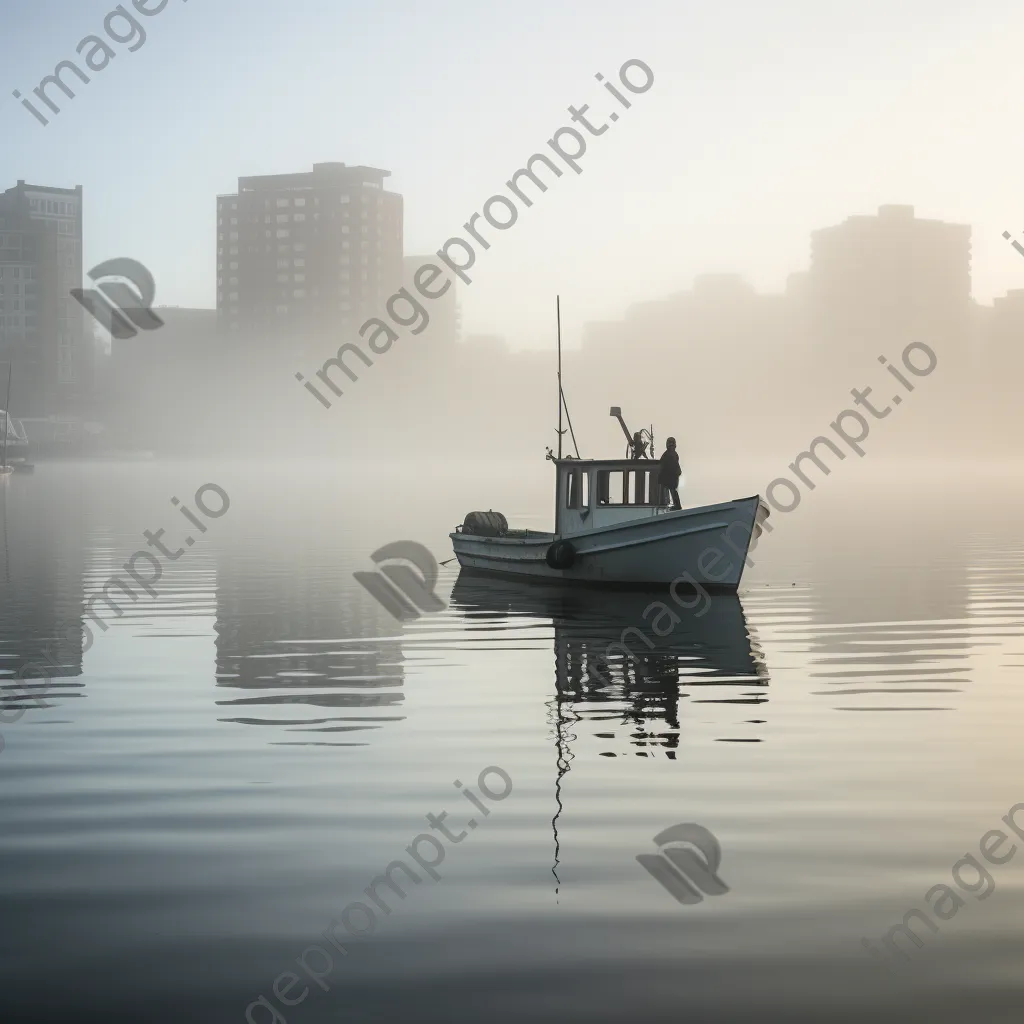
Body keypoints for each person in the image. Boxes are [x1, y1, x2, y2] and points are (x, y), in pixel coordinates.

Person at [658, 437, 682, 510]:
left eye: (672, 444)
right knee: (670, 490)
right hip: (669, 477)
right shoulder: (670, 454)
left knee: (672, 490)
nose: (671, 446)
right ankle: (668, 504)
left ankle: (674, 505)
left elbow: (669, 465)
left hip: (671, 477)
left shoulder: (670, 454)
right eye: (670, 444)